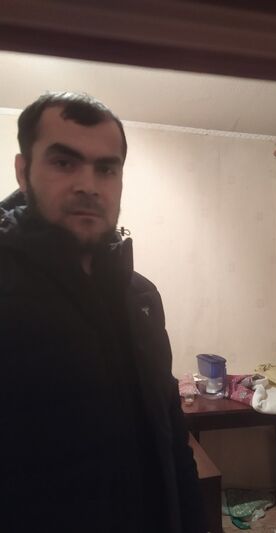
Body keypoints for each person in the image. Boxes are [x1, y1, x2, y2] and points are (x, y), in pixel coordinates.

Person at [0, 92, 207, 533]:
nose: (89, 185)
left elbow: (172, 440)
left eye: (106, 169)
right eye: (64, 162)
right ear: (23, 172)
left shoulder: (142, 298)